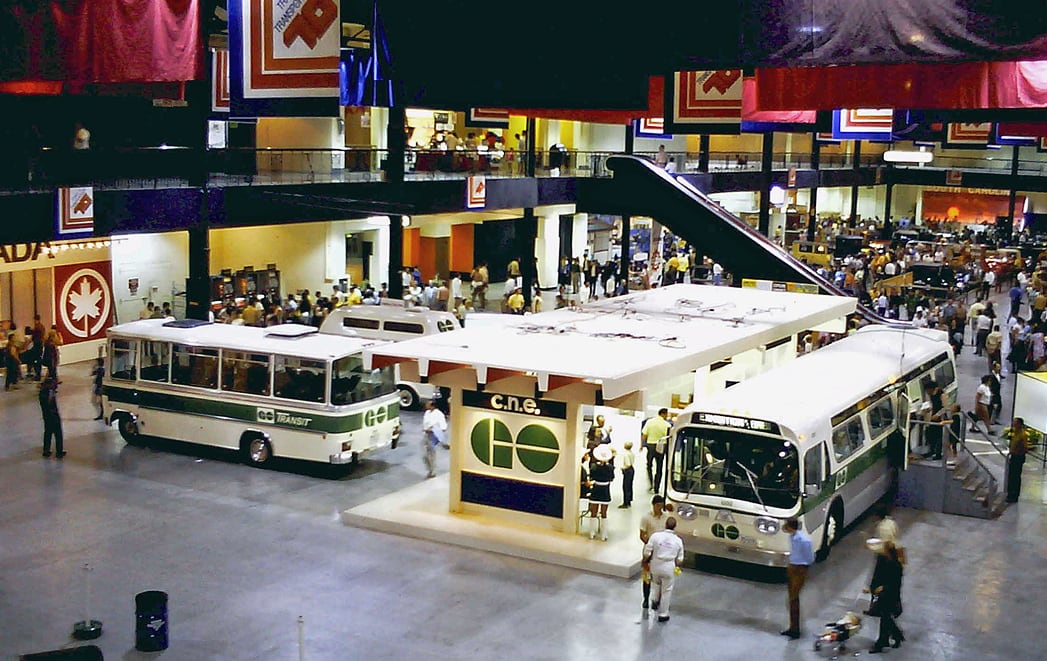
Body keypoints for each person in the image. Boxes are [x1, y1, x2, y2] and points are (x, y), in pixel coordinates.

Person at [642, 516, 685, 623]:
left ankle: (655, 600)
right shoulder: (678, 540)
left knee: (656, 583)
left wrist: (645, 561)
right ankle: (663, 614)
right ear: (675, 527)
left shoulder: (655, 536)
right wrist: (676, 564)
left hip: (655, 564)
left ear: (665, 525)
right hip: (669, 565)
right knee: (667, 590)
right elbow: (680, 559)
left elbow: (647, 552)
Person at [866, 541, 905, 653]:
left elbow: (895, 584)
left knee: (885, 618)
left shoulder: (896, 566)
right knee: (886, 617)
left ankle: (882, 642)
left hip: (889, 596)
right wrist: (873, 588)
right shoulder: (883, 560)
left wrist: (882, 588)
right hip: (884, 594)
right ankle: (896, 636)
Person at [781, 517, 814, 639]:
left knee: (794, 598)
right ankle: (792, 627)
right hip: (793, 567)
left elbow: (810, 557)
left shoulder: (804, 540)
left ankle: (795, 629)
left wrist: (802, 566)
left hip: (800, 569)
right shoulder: (793, 537)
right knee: (791, 599)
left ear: (790, 526)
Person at [639, 495, 669, 610]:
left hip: (662, 552)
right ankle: (646, 599)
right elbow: (642, 535)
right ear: (653, 505)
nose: (659, 508)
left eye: (661, 506)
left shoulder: (666, 517)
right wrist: (651, 546)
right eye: (657, 506)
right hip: (650, 551)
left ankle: (657, 600)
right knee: (647, 577)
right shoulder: (646, 518)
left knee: (660, 578)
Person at [586, 444, 615, 541]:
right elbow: (612, 479)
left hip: (595, 489)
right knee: (604, 513)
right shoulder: (610, 467)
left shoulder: (594, 466)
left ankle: (592, 533)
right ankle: (604, 534)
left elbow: (591, 477)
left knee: (593, 512)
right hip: (605, 490)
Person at [1003, 417, 1034, 503]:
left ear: (1020, 424)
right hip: (1014, 456)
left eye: (1015, 423)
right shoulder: (1015, 433)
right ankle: (1010, 493)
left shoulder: (1022, 435)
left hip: (1018, 457)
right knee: (1011, 475)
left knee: (1015, 476)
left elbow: (1025, 448)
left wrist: (1016, 451)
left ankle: (1014, 494)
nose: (1013, 424)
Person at [641, 408, 672, 492]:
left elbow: (644, 434)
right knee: (659, 467)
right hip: (661, 446)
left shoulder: (649, 422)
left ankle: (651, 483)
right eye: (666, 414)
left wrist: (641, 445)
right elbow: (669, 438)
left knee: (649, 465)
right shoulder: (667, 425)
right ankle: (656, 487)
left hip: (650, 446)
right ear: (663, 414)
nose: (667, 416)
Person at [38, 376, 64, 458]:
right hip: (52, 416)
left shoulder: (43, 392)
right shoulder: (47, 393)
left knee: (48, 433)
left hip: (47, 417)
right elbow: (49, 403)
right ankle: (59, 452)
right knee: (58, 434)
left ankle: (46, 450)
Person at [421, 400, 448, 478]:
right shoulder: (427, 413)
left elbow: (443, 427)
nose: (426, 405)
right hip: (426, 435)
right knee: (424, 455)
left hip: (433, 436)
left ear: (433, 406)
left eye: (428, 404)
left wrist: (432, 430)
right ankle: (430, 468)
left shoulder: (439, 415)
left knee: (431, 454)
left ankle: (432, 471)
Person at [618, 441, 635, 509]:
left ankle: (625, 502)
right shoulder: (632, 453)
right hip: (632, 470)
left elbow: (628, 464)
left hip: (627, 471)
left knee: (626, 486)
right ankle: (629, 500)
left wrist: (622, 468)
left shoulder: (626, 454)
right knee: (630, 485)